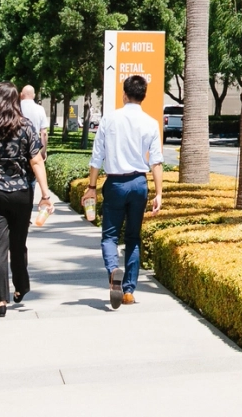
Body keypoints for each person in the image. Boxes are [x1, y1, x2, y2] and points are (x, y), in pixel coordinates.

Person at [0, 81, 51, 317]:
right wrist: (45, 194)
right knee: (18, 243)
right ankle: (21, 285)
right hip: (20, 194)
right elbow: (36, 161)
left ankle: (0, 300)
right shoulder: (25, 127)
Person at [88, 74, 163, 308]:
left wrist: (91, 187)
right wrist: (159, 193)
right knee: (133, 237)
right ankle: (129, 291)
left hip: (115, 183)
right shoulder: (151, 123)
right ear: (144, 96)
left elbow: (97, 157)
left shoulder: (109, 120)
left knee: (109, 235)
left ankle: (113, 271)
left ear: (124, 94)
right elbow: (156, 162)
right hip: (139, 183)